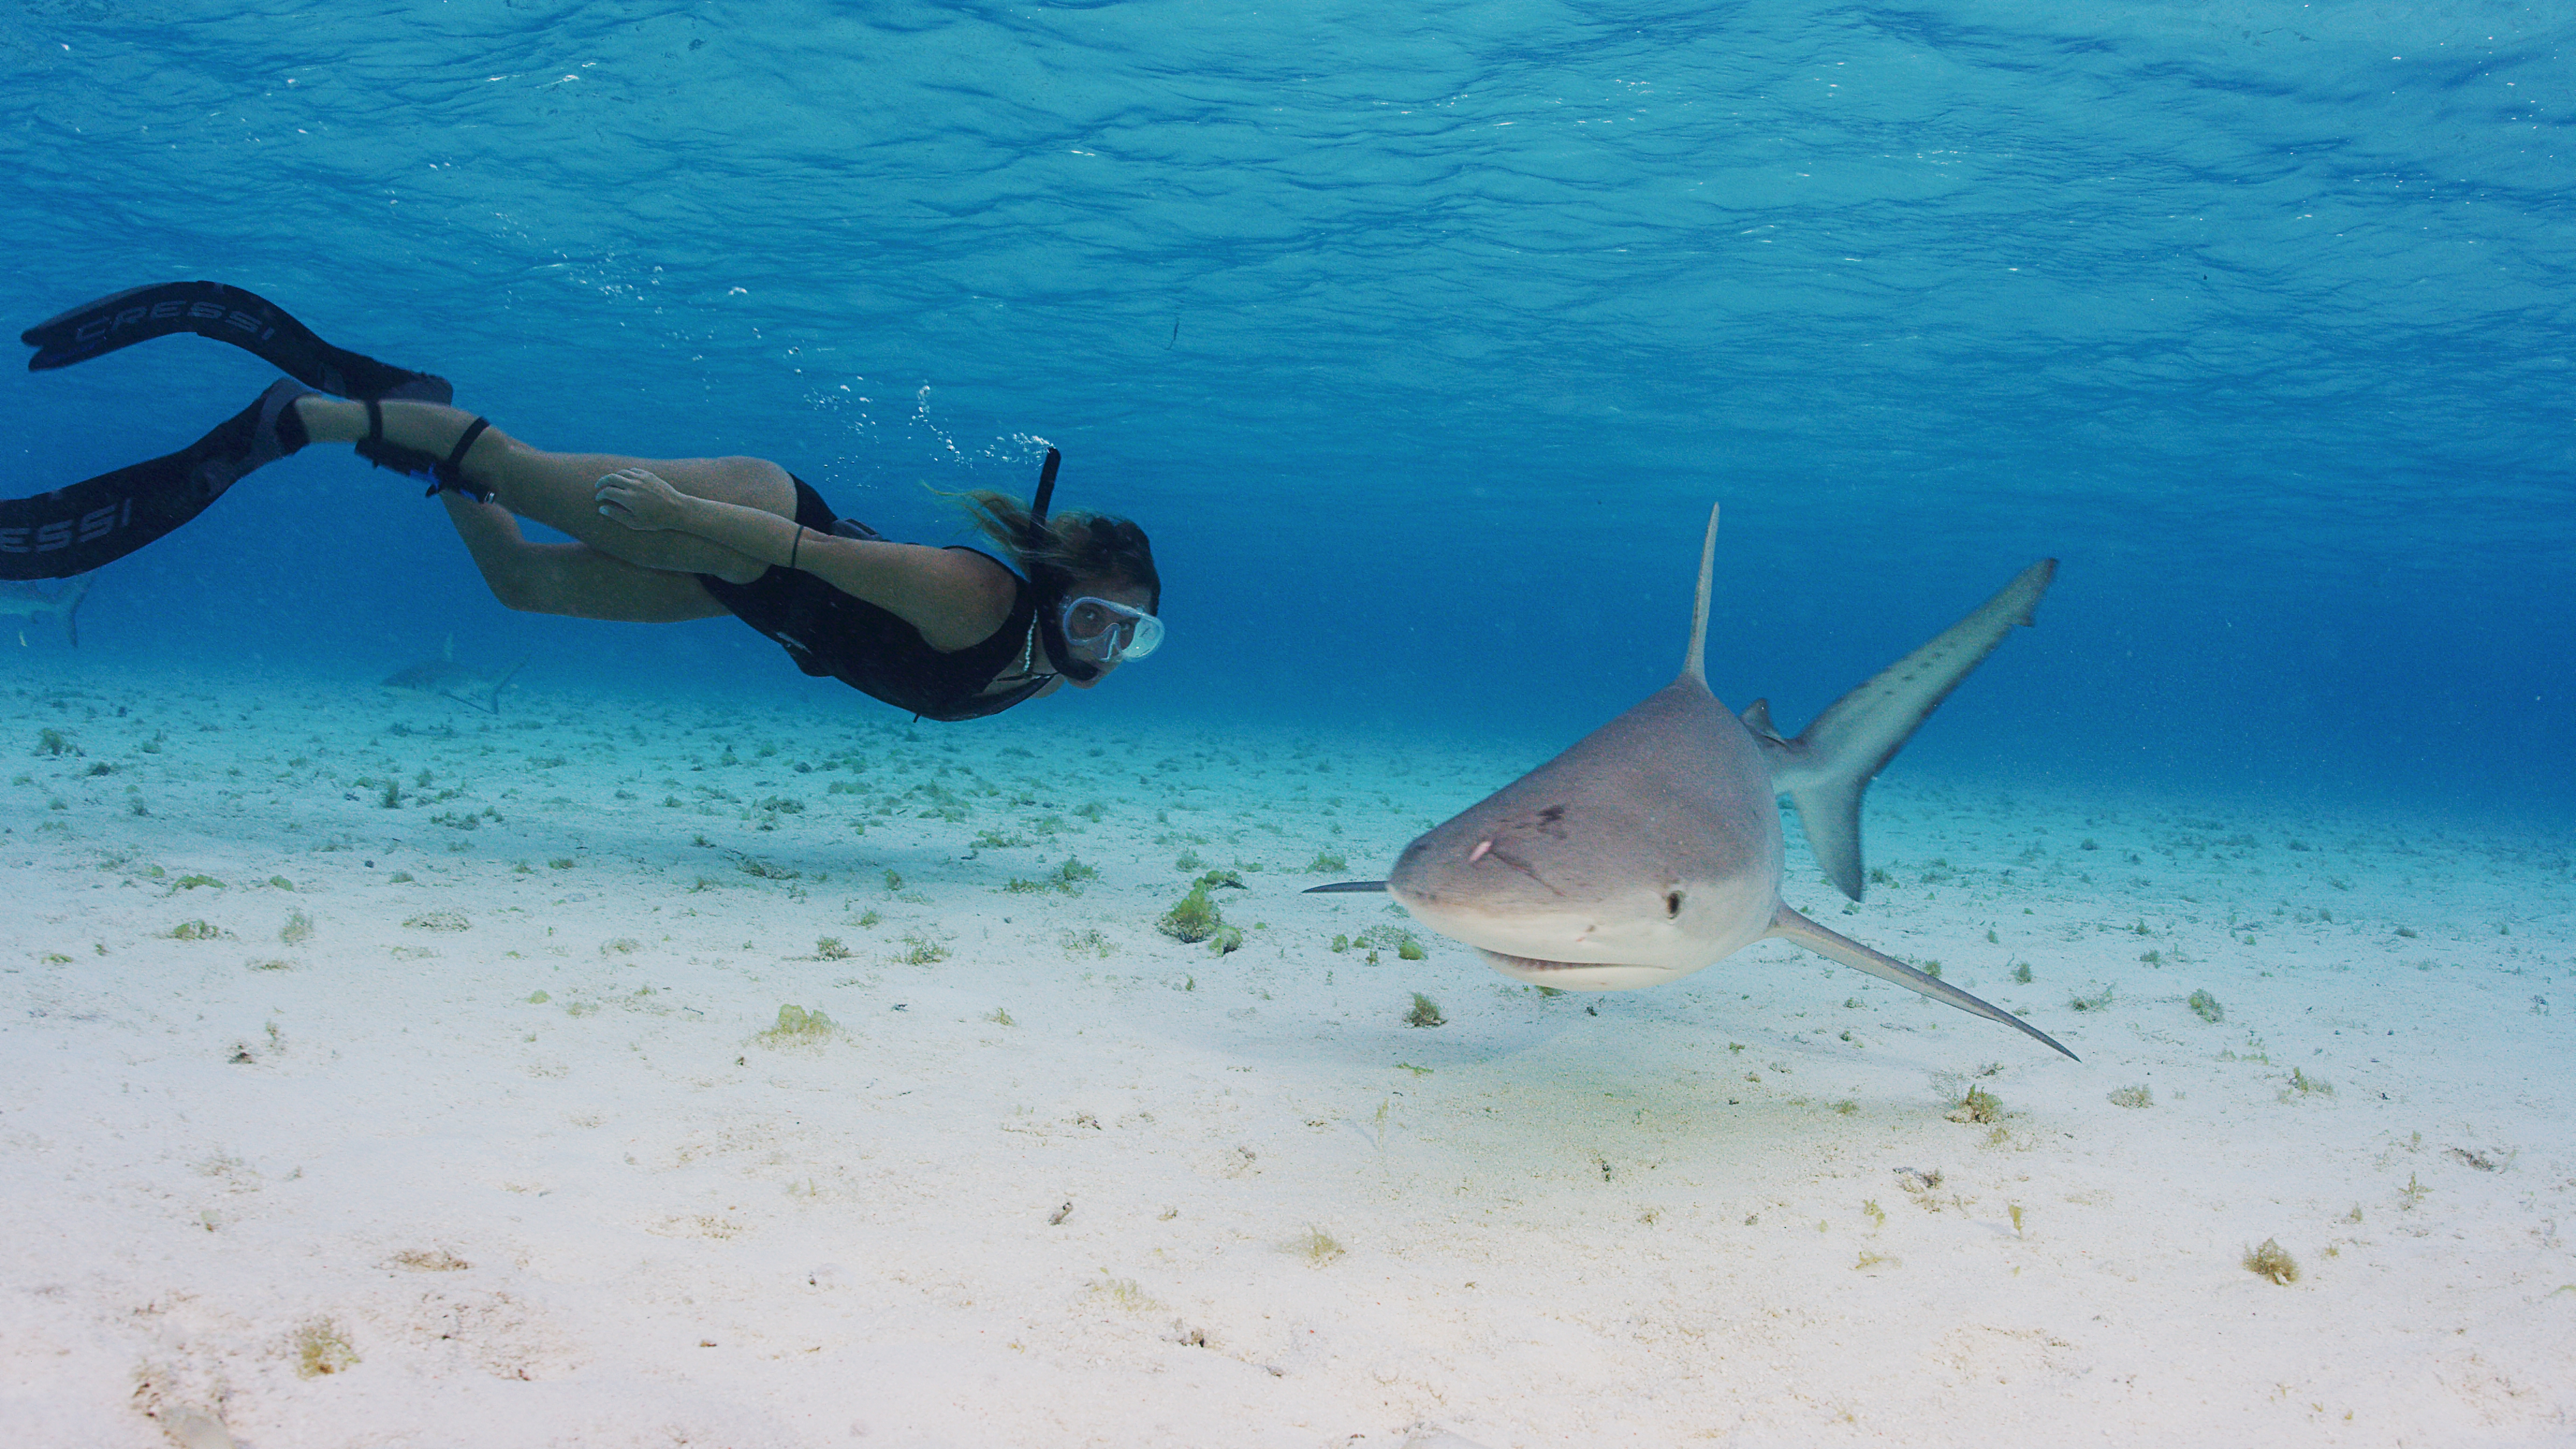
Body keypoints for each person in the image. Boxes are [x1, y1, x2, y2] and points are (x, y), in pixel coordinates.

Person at [4, 282, 1160, 722]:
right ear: (1053, 598)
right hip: (750, 529)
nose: (1103, 647)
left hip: (748, 592)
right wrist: (674, 512)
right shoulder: (974, 603)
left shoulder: (1037, 665)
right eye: (1097, 618)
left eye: (1129, 634)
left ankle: (413, 424)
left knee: (518, 583)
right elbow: (807, 547)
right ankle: (305, 419)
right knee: (516, 468)